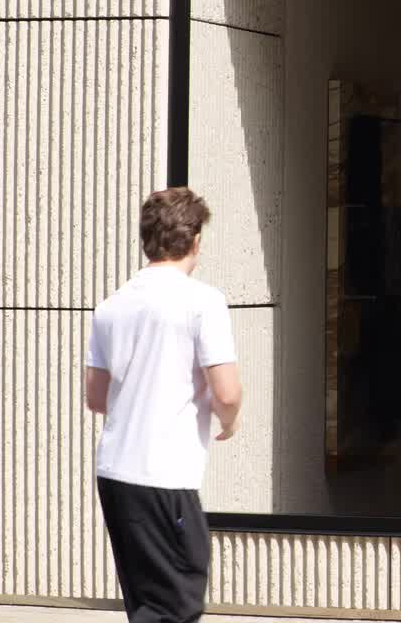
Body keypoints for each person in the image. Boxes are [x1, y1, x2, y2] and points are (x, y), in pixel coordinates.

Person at [84, 187, 242, 621]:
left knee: (147, 604)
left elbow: (96, 397)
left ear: (146, 240)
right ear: (194, 240)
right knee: (177, 605)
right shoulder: (201, 301)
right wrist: (228, 421)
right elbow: (226, 391)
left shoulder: (111, 306)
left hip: (116, 474)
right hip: (165, 476)